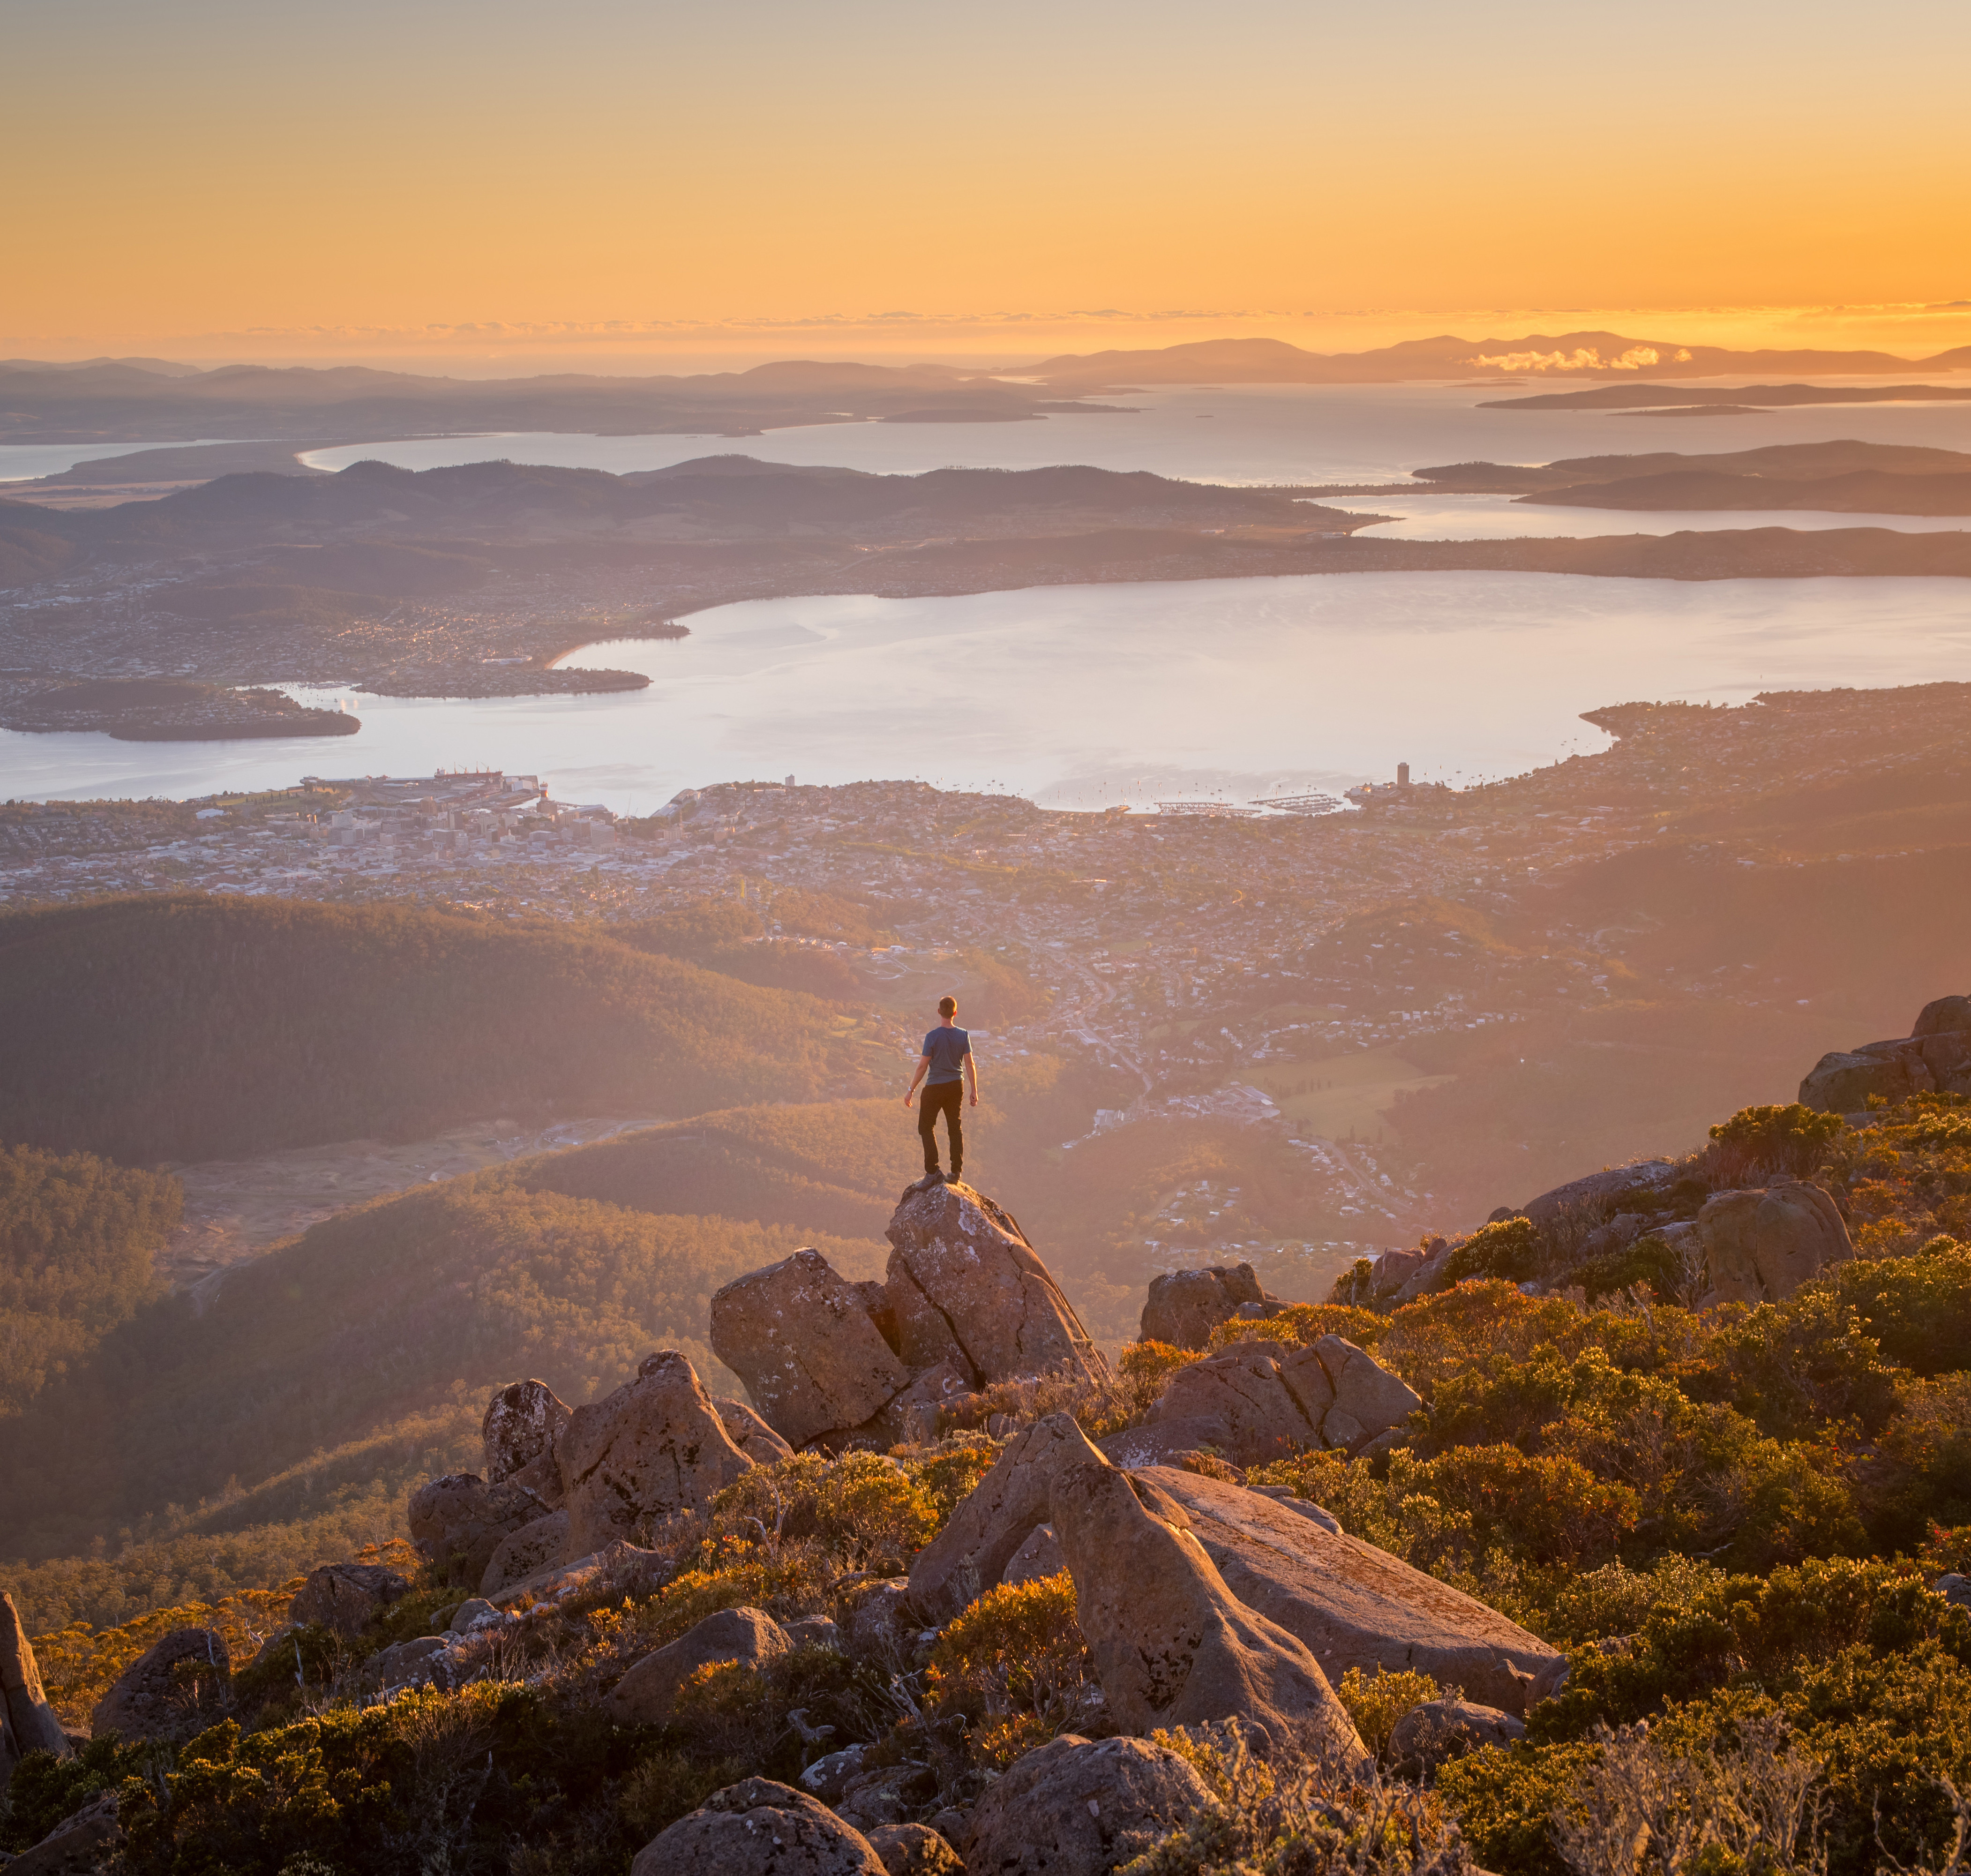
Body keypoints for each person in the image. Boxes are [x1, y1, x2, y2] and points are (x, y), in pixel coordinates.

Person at [903, 995, 978, 1183]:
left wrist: (911, 1090)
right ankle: (956, 1172)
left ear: (939, 1012)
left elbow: (922, 1067)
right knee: (955, 1128)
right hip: (956, 1086)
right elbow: (970, 1064)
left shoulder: (932, 1037)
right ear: (955, 1013)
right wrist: (974, 1090)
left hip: (935, 1087)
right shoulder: (963, 1035)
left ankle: (933, 1172)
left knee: (926, 1127)